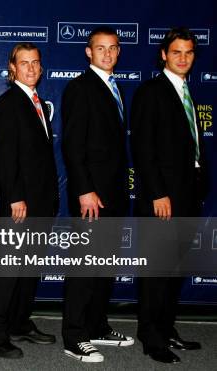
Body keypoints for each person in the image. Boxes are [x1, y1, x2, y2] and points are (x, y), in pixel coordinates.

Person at [131, 27, 206, 364]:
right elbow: (143, 149)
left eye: (188, 52)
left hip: (188, 195)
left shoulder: (188, 92)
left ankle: (167, 328)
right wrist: (158, 193)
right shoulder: (152, 91)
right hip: (162, 199)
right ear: (163, 54)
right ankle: (151, 336)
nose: (183, 58)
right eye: (176, 52)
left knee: (175, 269)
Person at [60, 26, 134, 362]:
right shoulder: (80, 88)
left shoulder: (114, 87)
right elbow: (73, 146)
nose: (106, 53)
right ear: (88, 52)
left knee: (104, 265)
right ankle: (74, 336)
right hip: (91, 196)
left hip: (114, 194)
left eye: (112, 48)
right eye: (99, 48)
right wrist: (85, 190)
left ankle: (97, 326)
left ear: (118, 52)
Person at [0, 42, 58, 359]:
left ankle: (18, 322)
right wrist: (15, 198)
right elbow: (5, 156)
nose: (30, 68)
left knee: (29, 267)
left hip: (42, 201)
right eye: (23, 63)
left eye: (35, 63)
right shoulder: (9, 103)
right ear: (11, 68)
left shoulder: (37, 102)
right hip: (21, 202)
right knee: (9, 268)